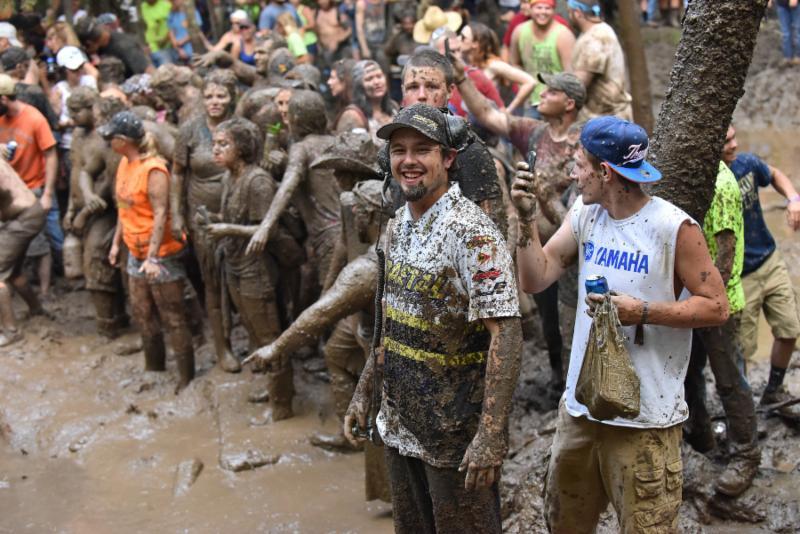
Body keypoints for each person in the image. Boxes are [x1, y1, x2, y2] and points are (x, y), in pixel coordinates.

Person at [513, 115, 729, 531]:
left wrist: (642, 311)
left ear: (605, 172)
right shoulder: (586, 213)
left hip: (646, 422)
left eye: (579, 165)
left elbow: (716, 307)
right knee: (565, 524)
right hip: (580, 413)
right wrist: (523, 221)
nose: (572, 175)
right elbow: (535, 276)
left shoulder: (673, 228)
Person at [343, 104, 522, 533]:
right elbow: (390, 321)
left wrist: (491, 436)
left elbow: (508, 334)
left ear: (447, 158)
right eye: (399, 149)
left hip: (454, 436)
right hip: (400, 424)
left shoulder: (472, 233)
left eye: (422, 149)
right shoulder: (397, 225)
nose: (408, 160)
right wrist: (365, 390)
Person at [453, 58, 585, 392]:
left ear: (569, 103)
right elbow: (486, 115)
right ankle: (558, 379)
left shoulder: (585, 141)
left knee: (575, 317)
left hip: (574, 247)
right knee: (550, 319)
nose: (541, 94)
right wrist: (461, 77)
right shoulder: (536, 132)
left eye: (551, 91)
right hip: (538, 245)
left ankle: (576, 386)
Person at [684, 161, 761, 497]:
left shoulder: (723, 184)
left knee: (730, 380)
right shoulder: (693, 173)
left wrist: (711, 305)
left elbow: (726, 255)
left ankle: (745, 453)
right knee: (689, 372)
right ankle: (701, 434)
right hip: (692, 297)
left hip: (720, 302)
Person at [104, 111, 195, 392]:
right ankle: (154, 368)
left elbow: (160, 214)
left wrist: (154, 257)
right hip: (134, 248)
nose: (108, 142)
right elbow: (123, 207)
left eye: (111, 138)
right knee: (142, 310)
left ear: (123, 141)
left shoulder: (154, 169)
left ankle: (185, 377)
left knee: (172, 313)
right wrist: (116, 242)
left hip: (161, 252)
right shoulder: (124, 163)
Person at [203, 118, 288, 417]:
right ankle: (271, 385)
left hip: (256, 267)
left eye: (223, 144)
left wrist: (226, 227)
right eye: (214, 143)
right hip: (236, 264)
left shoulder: (258, 181)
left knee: (269, 335)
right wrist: (215, 219)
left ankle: (283, 405)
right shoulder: (229, 178)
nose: (215, 150)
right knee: (252, 328)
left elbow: (269, 230)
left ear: (242, 148)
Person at [723, 125, 800, 419]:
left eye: (734, 137)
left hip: (770, 260)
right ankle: (741, 411)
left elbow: (775, 173)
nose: (734, 145)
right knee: (742, 350)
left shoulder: (746, 164)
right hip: (739, 277)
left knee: (790, 329)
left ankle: (773, 391)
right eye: (726, 141)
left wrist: (793, 198)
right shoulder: (708, 180)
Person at [170, 69, 240, 372]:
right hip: (202, 215)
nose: (214, 101)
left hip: (237, 212)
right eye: (209, 95)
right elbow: (177, 173)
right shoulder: (189, 130)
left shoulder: (240, 127)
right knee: (212, 282)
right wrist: (176, 213)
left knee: (241, 279)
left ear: (231, 97)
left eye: (221, 95)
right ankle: (222, 347)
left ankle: (251, 337)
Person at [64, 87, 129, 339]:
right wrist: (72, 208)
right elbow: (77, 172)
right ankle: (112, 318)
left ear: (93, 108)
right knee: (90, 261)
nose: (71, 117)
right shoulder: (78, 135)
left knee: (96, 261)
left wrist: (87, 210)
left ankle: (109, 323)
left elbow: (108, 179)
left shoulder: (106, 137)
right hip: (84, 206)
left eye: (76, 111)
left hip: (105, 210)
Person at [0, 73, 61, 297]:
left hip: (33, 186)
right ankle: (26, 294)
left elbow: (51, 155)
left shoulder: (34, 119)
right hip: (8, 190)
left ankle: (45, 290)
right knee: (13, 250)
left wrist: (47, 193)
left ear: (4, 99)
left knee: (40, 244)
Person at [0, 158, 46, 346]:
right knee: (14, 272)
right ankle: (36, 309)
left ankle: (11, 331)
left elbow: (3, 193)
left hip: (22, 218)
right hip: (30, 212)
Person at [566, 0, 632, 121]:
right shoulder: (596, 31)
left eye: (569, 12)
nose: (568, 16)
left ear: (577, 13)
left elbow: (579, 83)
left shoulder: (595, 38)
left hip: (607, 119)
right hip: (601, 117)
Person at [509, 0, 575, 118]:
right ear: (531, 9)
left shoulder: (563, 34)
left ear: (554, 10)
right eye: (539, 8)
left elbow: (570, 75)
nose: (543, 12)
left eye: (547, 8)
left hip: (556, 102)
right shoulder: (519, 31)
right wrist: (524, 85)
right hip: (531, 99)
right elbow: (514, 63)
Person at [460, 22, 536, 114]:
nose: (458, 39)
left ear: (475, 44)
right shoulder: (467, 63)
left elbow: (530, 82)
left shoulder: (493, 65)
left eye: (463, 37)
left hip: (492, 123)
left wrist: (508, 111)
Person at [74, 16, 153, 77]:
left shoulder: (125, 46)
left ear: (89, 43)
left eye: (86, 47)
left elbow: (148, 71)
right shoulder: (95, 50)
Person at [350, 59, 397, 139]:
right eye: (369, 79)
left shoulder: (394, 107)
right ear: (359, 86)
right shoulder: (355, 115)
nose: (376, 82)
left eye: (379, 76)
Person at [314, 0, 353, 71]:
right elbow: (317, 30)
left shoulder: (338, 12)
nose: (322, 1)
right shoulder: (316, 12)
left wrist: (337, 40)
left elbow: (349, 30)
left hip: (340, 50)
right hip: (325, 51)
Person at [141, 0, 174, 67]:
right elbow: (146, 26)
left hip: (165, 45)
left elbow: (173, 23)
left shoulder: (166, 4)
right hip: (151, 47)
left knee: (167, 72)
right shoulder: (143, 6)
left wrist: (166, 39)